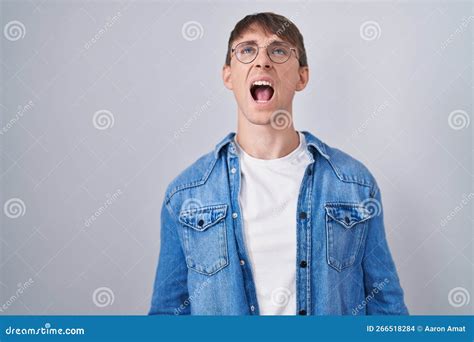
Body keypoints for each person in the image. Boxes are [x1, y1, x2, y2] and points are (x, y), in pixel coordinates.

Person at [149, 12, 408, 315]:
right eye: (247, 50)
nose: (262, 61)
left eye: (279, 50)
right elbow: (167, 317)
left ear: (302, 76)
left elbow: (385, 307)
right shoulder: (186, 194)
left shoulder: (354, 185)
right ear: (228, 75)